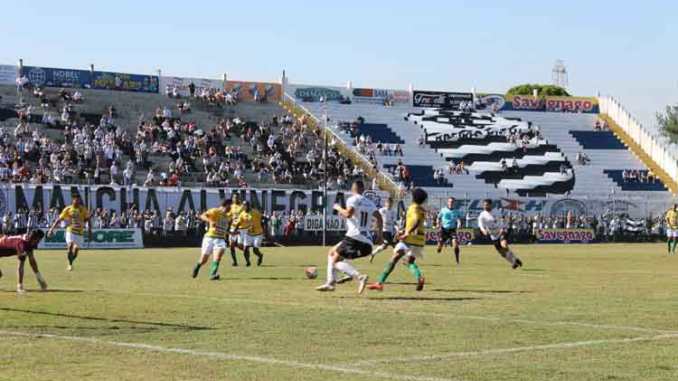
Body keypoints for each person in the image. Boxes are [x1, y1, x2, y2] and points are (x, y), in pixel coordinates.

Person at [316, 180, 383, 293]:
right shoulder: (369, 202)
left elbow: (348, 214)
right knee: (333, 253)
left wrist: (338, 208)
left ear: (353, 188)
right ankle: (332, 281)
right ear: (362, 189)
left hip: (354, 236)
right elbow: (379, 217)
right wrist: (379, 235)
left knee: (334, 259)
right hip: (367, 243)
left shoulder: (352, 199)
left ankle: (358, 276)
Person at [367, 188, 427, 292]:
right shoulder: (422, 209)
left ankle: (379, 283)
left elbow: (416, 221)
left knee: (394, 259)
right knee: (409, 262)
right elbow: (414, 222)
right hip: (420, 240)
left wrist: (407, 233)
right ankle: (419, 277)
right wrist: (403, 230)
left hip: (410, 239)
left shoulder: (413, 208)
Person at [47, 194, 92, 271]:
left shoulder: (83, 209)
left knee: (76, 250)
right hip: (70, 231)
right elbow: (59, 219)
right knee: (70, 246)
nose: (77, 201)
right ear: (73, 200)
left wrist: (90, 231)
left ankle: (70, 262)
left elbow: (88, 219)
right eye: (75, 199)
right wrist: (51, 229)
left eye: (78, 199)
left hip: (80, 233)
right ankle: (70, 265)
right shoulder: (68, 209)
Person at [192, 198, 232, 280]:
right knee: (204, 259)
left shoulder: (227, 216)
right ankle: (197, 266)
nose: (231, 208)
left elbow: (223, 229)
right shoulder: (215, 211)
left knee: (218, 256)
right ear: (227, 205)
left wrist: (231, 233)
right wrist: (210, 221)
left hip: (220, 239)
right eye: (230, 206)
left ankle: (213, 274)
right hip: (210, 237)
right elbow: (202, 216)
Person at [477, 199, 523, 269]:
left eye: (486, 205)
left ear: (490, 205)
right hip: (493, 236)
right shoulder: (482, 215)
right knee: (502, 253)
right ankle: (514, 262)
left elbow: (502, 220)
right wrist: (484, 231)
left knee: (504, 245)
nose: (485, 206)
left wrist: (502, 228)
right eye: (484, 205)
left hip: (501, 232)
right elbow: (481, 225)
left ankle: (514, 260)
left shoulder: (496, 211)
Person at [369, 197, 398, 262]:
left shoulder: (394, 211)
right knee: (393, 244)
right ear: (385, 203)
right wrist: (375, 227)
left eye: (391, 203)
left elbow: (394, 222)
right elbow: (376, 218)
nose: (389, 204)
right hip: (384, 230)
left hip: (390, 230)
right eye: (388, 203)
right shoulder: (382, 210)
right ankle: (396, 258)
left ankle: (373, 253)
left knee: (384, 246)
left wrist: (397, 229)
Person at [237, 202, 265, 266]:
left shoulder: (255, 212)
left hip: (258, 233)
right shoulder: (242, 214)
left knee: (255, 250)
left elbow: (263, 218)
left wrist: (264, 229)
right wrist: (235, 230)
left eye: (245, 205)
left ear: (249, 206)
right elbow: (239, 222)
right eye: (243, 205)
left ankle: (260, 256)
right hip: (248, 233)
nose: (244, 207)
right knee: (245, 248)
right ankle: (248, 262)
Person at [436, 197, 462, 264]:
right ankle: (440, 247)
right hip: (444, 229)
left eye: (452, 202)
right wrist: (438, 224)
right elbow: (438, 218)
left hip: (452, 230)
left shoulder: (456, 211)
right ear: (448, 202)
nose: (451, 203)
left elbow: (459, 219)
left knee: (455, 244)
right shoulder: (443, 210)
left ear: (454, 203)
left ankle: (457, 260)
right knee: (439, 246)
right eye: (450, 201)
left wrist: (459, 223)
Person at [228, 193, 245, 266]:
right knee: (231, 245)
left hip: (240, 228)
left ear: (239, 198)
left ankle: (246, 252)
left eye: (237, 197)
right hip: (232, 227)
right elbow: (230, 217)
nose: (235, 199)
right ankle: (234, 262)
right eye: (234, 197)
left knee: (239, 246)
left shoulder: (242, 206)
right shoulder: (231, 207)